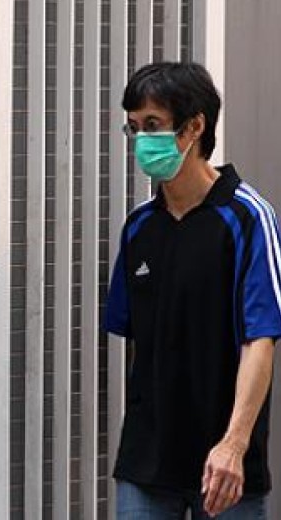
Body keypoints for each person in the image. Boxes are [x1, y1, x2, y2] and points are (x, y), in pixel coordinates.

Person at [105, 62, 281, 518]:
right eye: (134, 128)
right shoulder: (139, 226)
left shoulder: (247, 218)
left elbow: (260, 338)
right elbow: (136, 340)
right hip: (147, 463)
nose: (143, 140)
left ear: (195, 127)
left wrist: (234, 442)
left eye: (153, 125)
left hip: (225, 467)